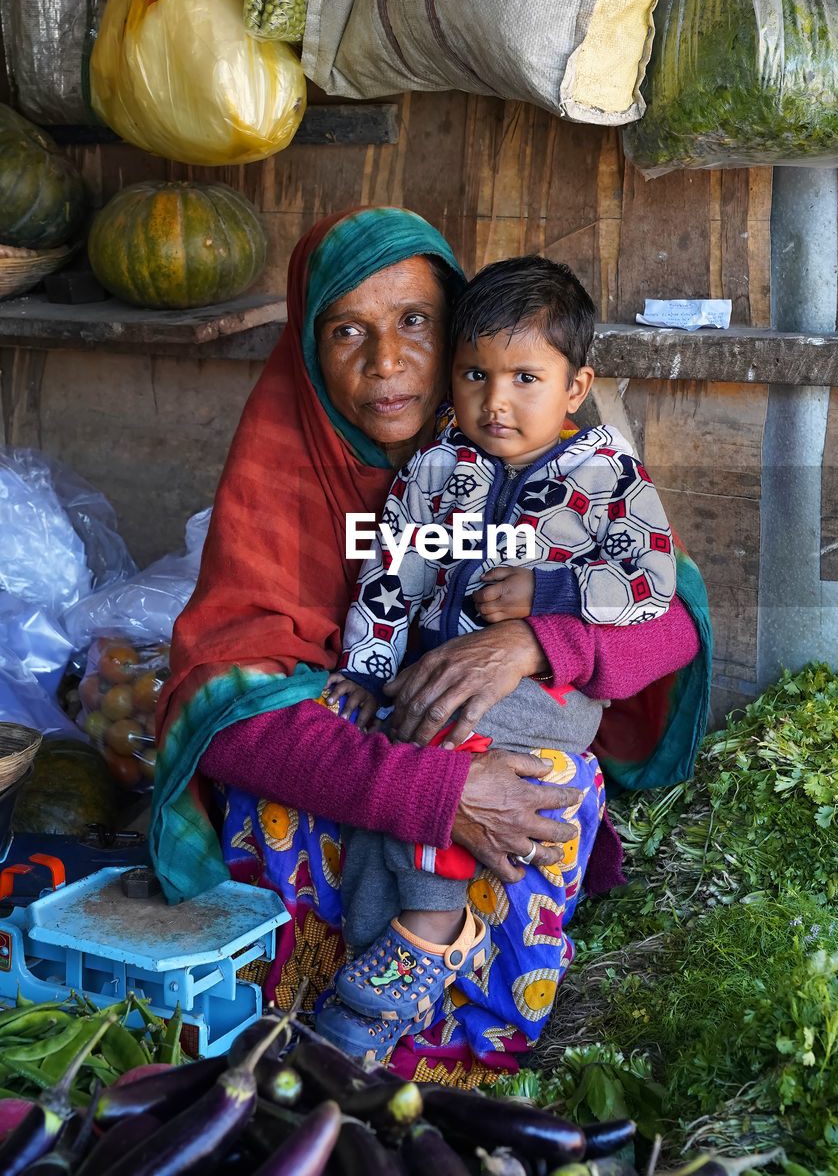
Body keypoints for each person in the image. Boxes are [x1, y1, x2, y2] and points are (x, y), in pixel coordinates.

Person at [151, 206, 712, 1084]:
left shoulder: (565, 464)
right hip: (396, 728)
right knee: (299, 760)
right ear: (307, 348)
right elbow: (223, 704)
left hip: (512, 717)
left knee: (543, 791)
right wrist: (424, 784)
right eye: (347, 331)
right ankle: (364, 971)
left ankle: (455, 1031)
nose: (386, 362)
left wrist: (533, 639)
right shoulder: (299, 471)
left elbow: (669, 617)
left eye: (415, 322)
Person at [320, 256, 677, 1056]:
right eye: (475, 375)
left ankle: (426, 926)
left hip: (543, 696)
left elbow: (649, 584)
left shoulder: (605, 476)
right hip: (438, 672)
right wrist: (367, 670)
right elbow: (391, 580)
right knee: (391, 748)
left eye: (525, 377)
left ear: (575, 388)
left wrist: (547, 597)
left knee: (433, 747)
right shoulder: (437, 469)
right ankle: (388, 944)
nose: (496, 401)